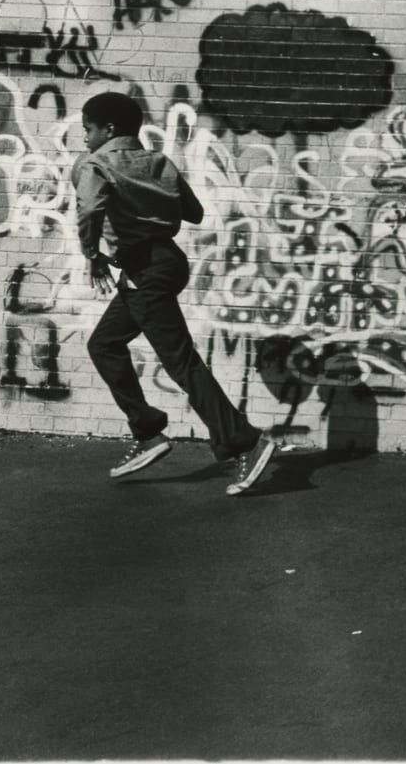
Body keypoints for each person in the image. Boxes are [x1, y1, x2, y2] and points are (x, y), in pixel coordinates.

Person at [75, 90, 276, 495]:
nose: (85, 138)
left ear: (108, 130)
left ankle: (246, 443)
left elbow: (89, 211)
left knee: (182, 363)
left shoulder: (96, 165)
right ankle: (148, 431)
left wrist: (93, 255)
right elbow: (194, 212)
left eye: (88, 129)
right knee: (105, 344)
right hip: (166, 262)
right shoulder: (159, 161)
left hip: (145, 270)